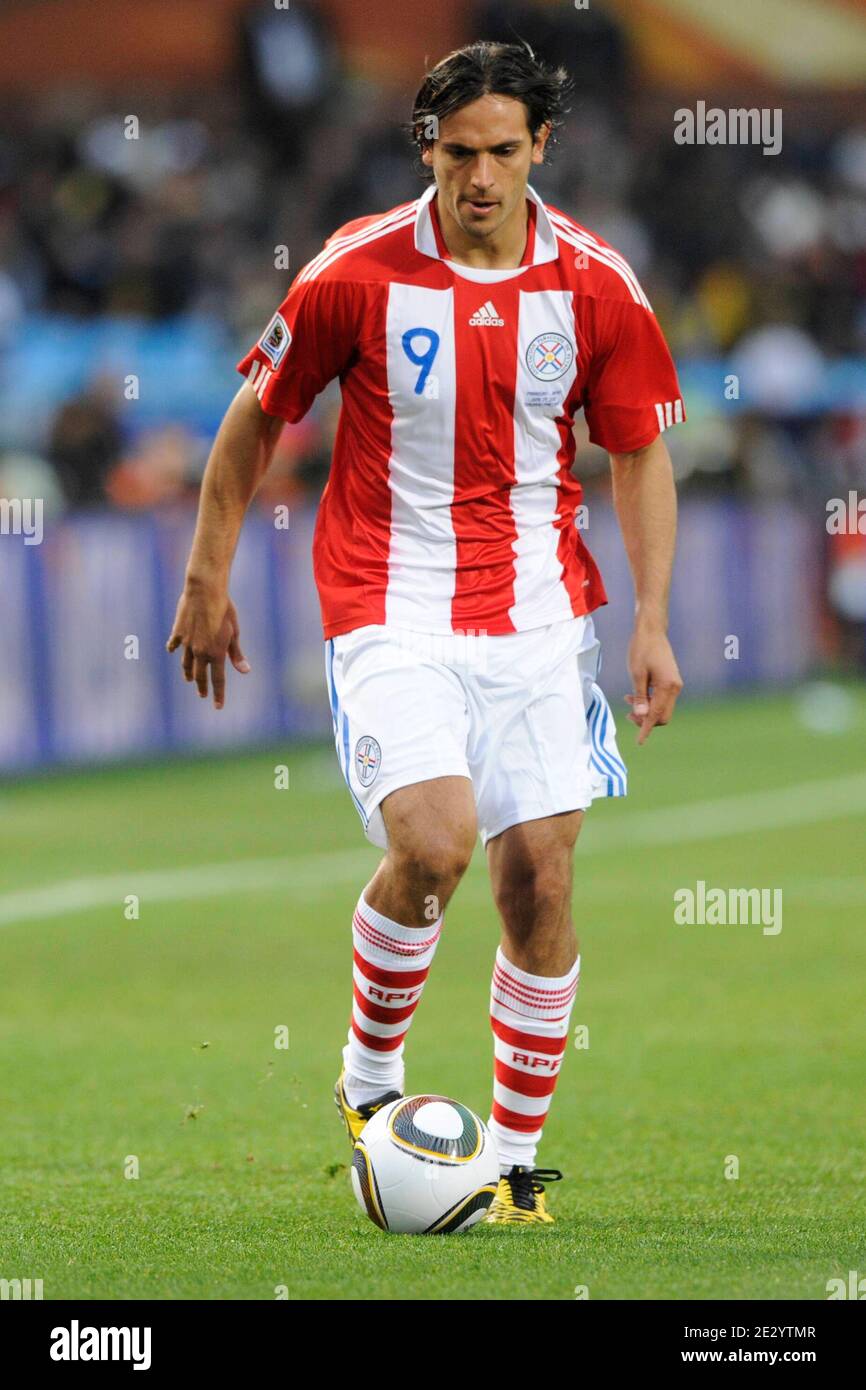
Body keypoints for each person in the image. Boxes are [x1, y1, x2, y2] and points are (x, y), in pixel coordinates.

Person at [167, 41, 686, 1226]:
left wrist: (653, 618)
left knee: (538, 880)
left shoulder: (597, 284)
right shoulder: (355, 271)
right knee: (437, 844)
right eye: (458, 154)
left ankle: (508, 1166)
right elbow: (254, 419)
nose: (481, 178)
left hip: (541, 621)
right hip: (388, 604)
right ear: (427, 151)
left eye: (503, 151)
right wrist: (207, 575)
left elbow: (639, 455)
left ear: (539, 147)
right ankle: (368, 1088)